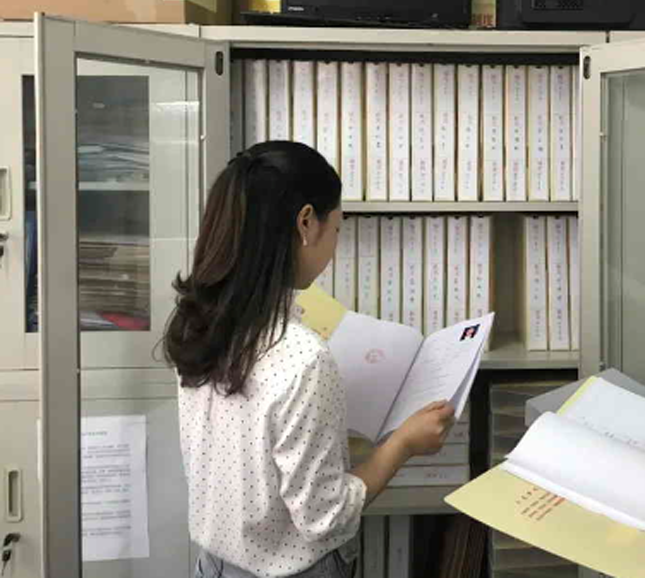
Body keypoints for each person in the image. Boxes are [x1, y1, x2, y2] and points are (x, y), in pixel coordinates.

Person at [164, 141, 456, 578]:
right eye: (336, 227)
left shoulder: (198, 324)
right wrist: (403, 445)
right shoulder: (303, 358)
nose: (335, 243)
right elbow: (325, 518)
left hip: (214, 566)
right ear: (306, 223)